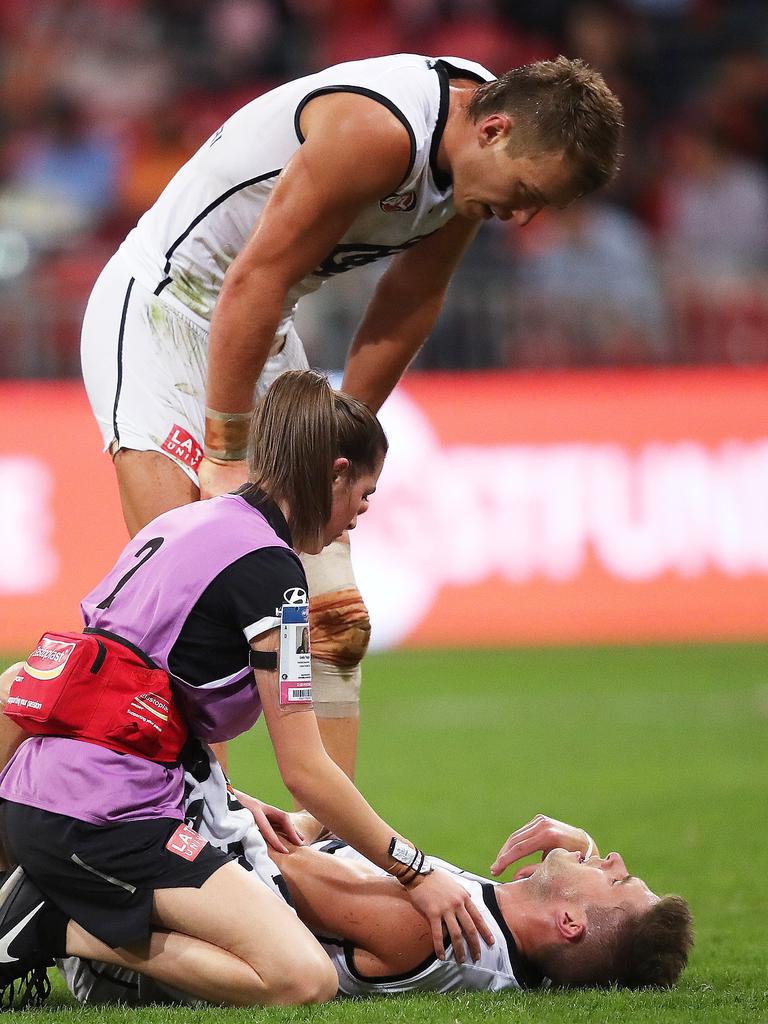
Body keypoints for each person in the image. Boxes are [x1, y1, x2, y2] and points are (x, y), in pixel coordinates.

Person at [80, 52, 624, 778]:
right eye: (525, 191)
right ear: (494, 129)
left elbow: (410, 297)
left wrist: (343, 427)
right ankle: (187, 828)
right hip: (161, 309)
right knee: (181, 590)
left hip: (262, 330)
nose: (520, 216)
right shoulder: (378, 130)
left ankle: (326, 837)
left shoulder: (468, 166)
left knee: (331, 609)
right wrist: (227, 451)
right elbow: (255, 276)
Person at [0, 370, 494, 1010]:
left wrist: (221, 791)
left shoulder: (186, 524)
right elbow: (307, 773)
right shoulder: (275, 576)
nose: (360, 517)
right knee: (303, 979)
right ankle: (51, 927)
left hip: (38, 791)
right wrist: (417, 872)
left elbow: (115, 682)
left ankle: (49, 900)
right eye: (365, 495)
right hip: (108, 818)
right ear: (336, 474)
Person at [59, 768, 693, 1003]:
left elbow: (276, 868)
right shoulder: (506, 929)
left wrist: (218, 788)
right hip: (182, 881)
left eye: (620, 878)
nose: (609, 856)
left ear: (571, 925)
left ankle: (47, 926)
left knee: (37, 708)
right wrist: (576, 852)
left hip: (128, 903)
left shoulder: (430, 927)